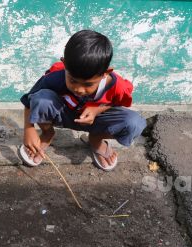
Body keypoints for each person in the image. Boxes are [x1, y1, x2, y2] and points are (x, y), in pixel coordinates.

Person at [19, 29, 146, 171]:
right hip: (64, 114)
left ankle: (96, 139)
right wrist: (29, 130)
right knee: (42, 99)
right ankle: (48, 133)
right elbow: (28, 101)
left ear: (105, 73)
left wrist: (98, 109)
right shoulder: (55, 76)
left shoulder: (119, 87)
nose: (79, 89)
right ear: (64, 64)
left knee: (135, 123)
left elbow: (118, 104)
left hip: (96, 121)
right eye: (73, 80)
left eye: (88, 84)